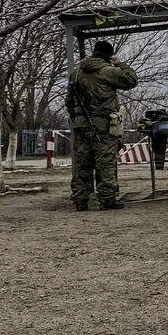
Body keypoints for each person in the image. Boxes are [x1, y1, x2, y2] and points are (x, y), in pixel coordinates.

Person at [66, 40, 138, 211]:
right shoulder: (107, 71)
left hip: (81, 125)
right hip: (103, 124)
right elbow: (132, 80)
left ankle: (81, 200)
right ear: (108, 55)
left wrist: (77, 118)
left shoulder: (76, 73)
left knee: (82, 161)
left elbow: (68, 101)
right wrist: (120, 63)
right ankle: (107, 199)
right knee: (105, 160)